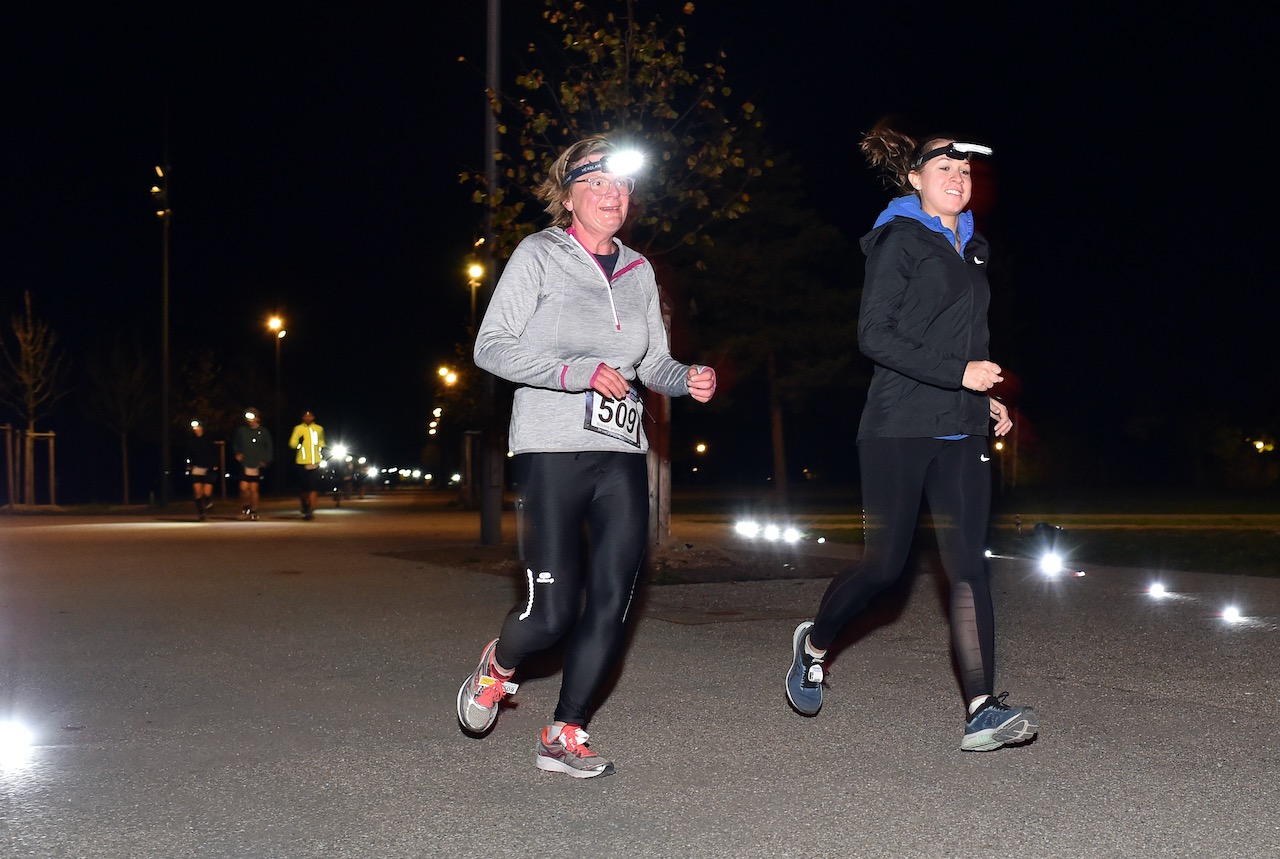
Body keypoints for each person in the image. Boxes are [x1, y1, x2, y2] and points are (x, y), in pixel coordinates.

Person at [456, 135, 717, 778]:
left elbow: (650, 361)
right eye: (599, 184)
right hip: (552, 448)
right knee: (550, 613)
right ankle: (499, 668)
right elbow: (491, 348)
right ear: (569, 194)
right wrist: (576, 374)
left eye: (623, 186)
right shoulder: (539, 255)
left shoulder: (639, 270)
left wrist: (686, 378)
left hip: (621, 451)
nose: (614, 196)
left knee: (612, 601)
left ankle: (565, 730)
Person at [784, 121, 1039, 752]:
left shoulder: (975, 249)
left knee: (968, 568)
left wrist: (986, 396)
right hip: (898, 425)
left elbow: (967, 341)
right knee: (883, 567)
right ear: (916, 179)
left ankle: (981, 707)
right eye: (945, 170)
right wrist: (958, 372)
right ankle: (814, 643)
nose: (959, 179)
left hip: (960, 426)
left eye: (966, 172)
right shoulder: (900, 241)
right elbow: (875, 336)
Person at [232, 408, 273, 521]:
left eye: (252, 418)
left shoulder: (263, 432)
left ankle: (254, 511)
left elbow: (269, 448)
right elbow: (236, 444)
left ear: (257, 418)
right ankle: (246, 508)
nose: (250, 421)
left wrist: (265, 460)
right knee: (244, 488)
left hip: (257, 464)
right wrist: (237, 453)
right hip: (245, 464)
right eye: (248, 418)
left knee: (254, 489)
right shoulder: (242, 431)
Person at [288, 409, 325, 520]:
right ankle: (305, 505)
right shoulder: (298, 428)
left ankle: (310, 511)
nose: (308, 418)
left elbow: (322, 441)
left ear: (313, 417)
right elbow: (292, 443)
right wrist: (298, 443)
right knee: (304, 489)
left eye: (310, 416)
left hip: (315, 462)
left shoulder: (319, 429)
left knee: (313, 487)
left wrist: (321, 447)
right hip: (301, 462)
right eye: (305, 416)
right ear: (303, 418)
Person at [185, 420, 218, 521]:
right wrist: (188, 464)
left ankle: (209, 502)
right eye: (194, 429)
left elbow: (214, 453)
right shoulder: (191, 441)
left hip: (208, 468)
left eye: (198, 428)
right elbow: (188, 455)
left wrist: (215, 464)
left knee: (207, 492)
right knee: (197, 492)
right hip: (196, 467)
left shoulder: (208, 439)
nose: (196, 430)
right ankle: (201, 513)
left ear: (202, 428)